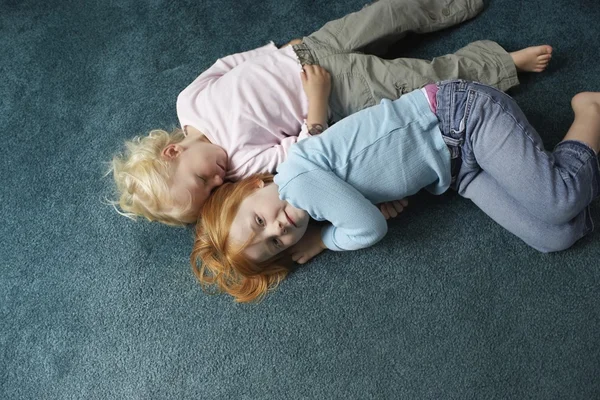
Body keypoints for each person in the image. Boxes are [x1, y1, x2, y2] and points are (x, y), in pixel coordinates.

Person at [110, 0, 553, 226]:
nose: (216, 180)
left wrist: (280, 50)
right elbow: (304, 147)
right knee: (419, 78)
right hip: (334, 94)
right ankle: (501, 64)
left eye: (201, 179)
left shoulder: (188, 100)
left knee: (389, 14)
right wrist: (317, 99)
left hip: (309, 49)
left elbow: (229, 65)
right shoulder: (242, 163)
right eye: (211, 192)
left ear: (172, 152)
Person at [190, 68, 600, 303]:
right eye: (275, 244)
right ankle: (568, 168)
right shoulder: (315, 199)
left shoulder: (297, 180)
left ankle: (590, 110)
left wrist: (322, 242)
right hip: (456, 170)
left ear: (255, 184)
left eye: (259, 220)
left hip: (464, 115)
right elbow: (366, 194)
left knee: (559, 201)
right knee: (557, 235)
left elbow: (368, 228)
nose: (279, 229)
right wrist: (369, 204)